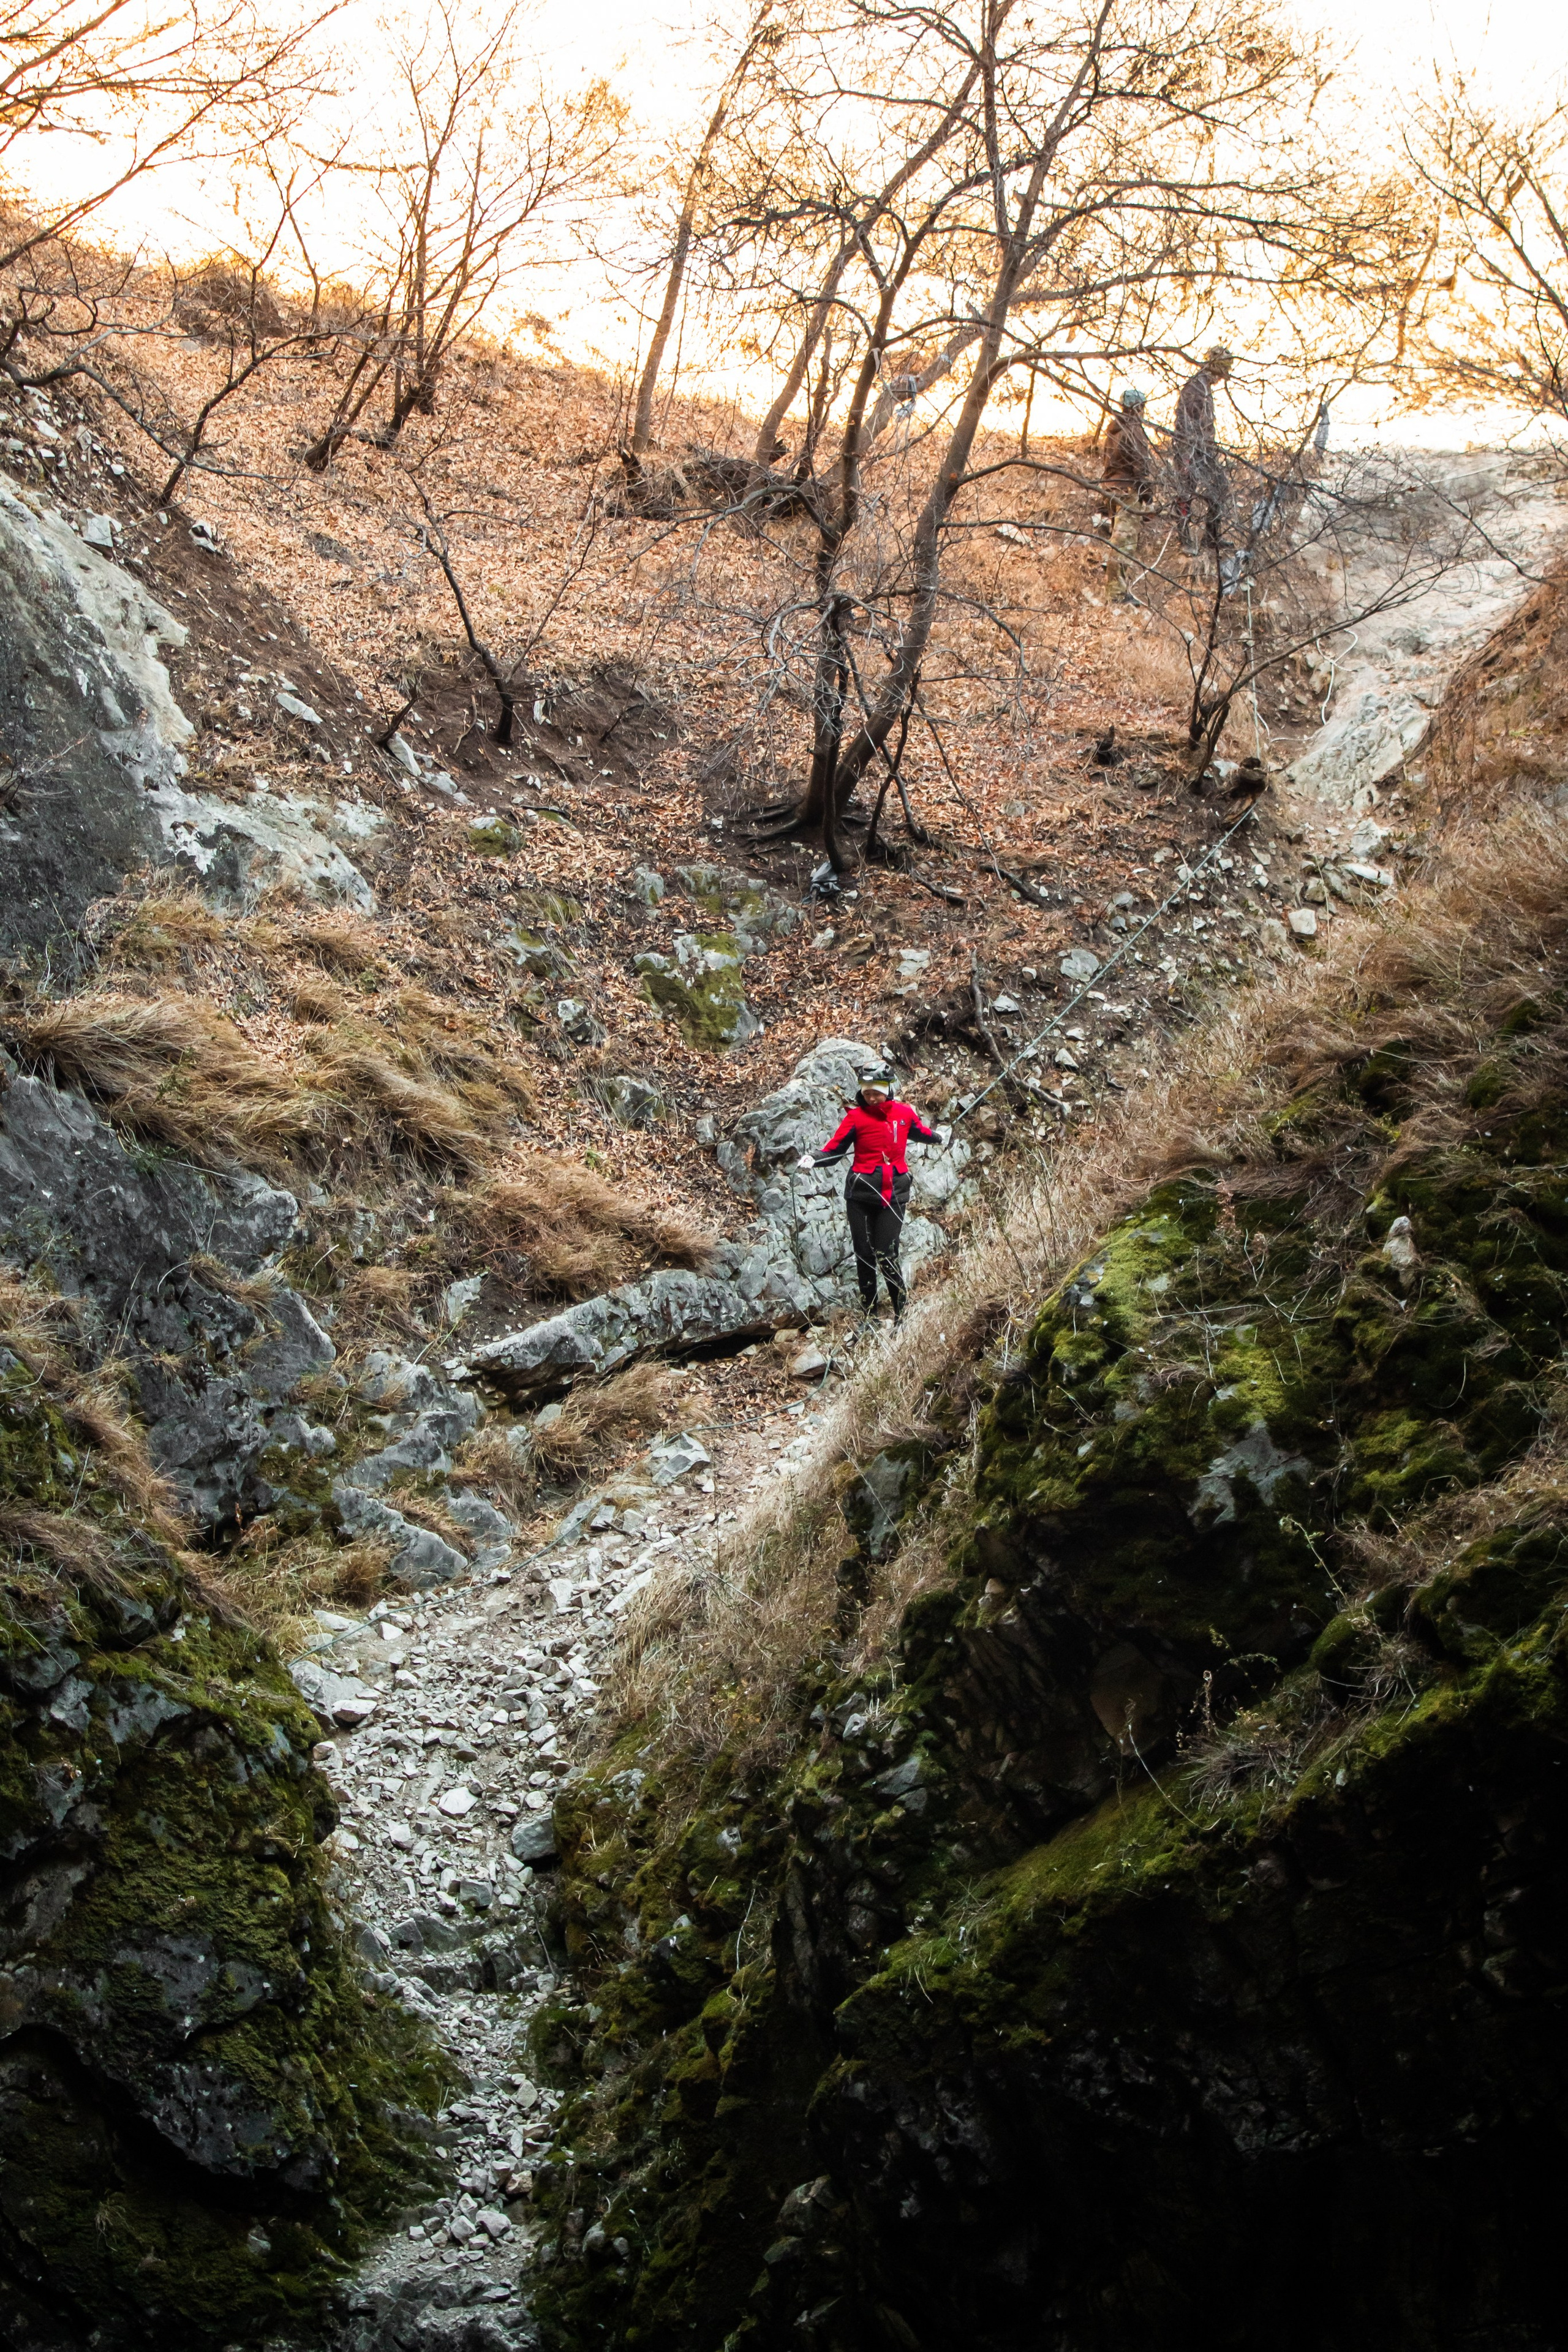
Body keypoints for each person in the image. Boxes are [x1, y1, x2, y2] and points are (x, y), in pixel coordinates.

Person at [797, 1067, 941, 1322]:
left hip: (894, 1194)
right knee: (864, 1255)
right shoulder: (855, 1118)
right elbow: (835, 1150)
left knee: (887, 1253)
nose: (872, 1099)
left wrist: (938, 1137)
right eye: (867, 1094)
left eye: (876, 1093)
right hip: (860, 1196)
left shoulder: (904, 1114)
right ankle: (871, 1317)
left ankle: (901, 1314)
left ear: (887, 1091)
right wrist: (814, 1159)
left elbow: (921, 1133)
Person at [1173, 345, 1235, 559]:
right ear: (1216, 366)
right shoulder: (1195, 388)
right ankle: (1184, 540)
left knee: (1220, 487)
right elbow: (1183, 423)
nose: (1226, 374)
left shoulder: (1205, 387)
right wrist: (1186, 454)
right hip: (1190, 450)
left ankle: (1211, 537)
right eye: (1225, 368)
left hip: (1205, 450)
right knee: (1185, 492)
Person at [1101, 386, 1154, 603]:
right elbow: (1140, 467)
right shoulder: (1135, 431)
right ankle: (1116, 595)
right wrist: (1147, 495)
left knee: (1118, 542)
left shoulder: (1113, 430)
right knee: (1123, 546)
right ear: (1138, 408)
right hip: (1128, 491)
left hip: (1110, 491)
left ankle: (1119, 590)